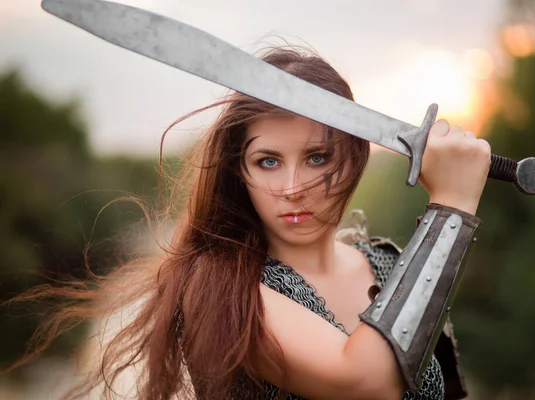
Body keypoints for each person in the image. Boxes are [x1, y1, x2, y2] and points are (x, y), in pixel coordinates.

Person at [5, 46, 491, 400]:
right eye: (268, 161)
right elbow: (366, 380)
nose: (293, 187)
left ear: (355, 158)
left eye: (318, 157)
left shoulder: (392, 265)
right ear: (240, 171)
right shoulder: (226, 290)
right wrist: (450, 205)